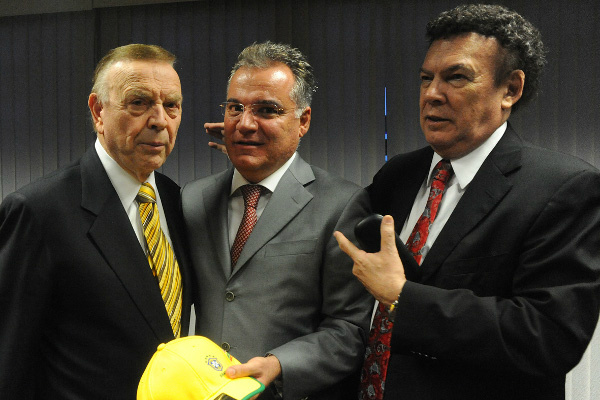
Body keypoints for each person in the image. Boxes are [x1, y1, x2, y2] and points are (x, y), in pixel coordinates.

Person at [333, 4, 600, 400]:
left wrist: (403, 298)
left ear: (510, 89)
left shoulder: (564, 187)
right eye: (426, 79)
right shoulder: (398, 176)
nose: (432, 95)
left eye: (456, 78)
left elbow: (548, 338)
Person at [181, 41, 373, 400]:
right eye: (234, 108)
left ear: (303, 121)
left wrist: (279, 365)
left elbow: (351, 329)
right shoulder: (192, 199)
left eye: (267, 110)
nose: (245, 123)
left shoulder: (341, 204)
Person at [0, 44, 192, 399]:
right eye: (139, 102)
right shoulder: (38, 211)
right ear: (98, 111)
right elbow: (8, 360)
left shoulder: (178, 200)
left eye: (172, 106)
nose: (159, 120)